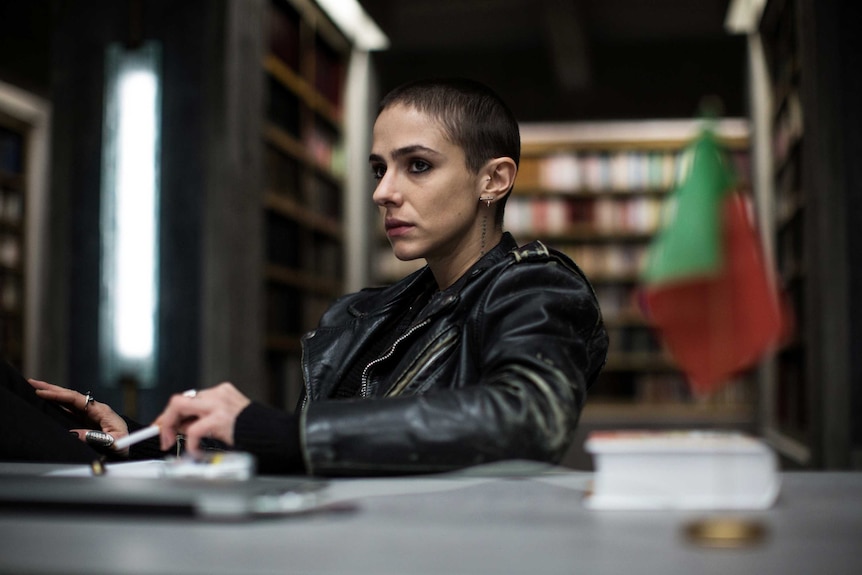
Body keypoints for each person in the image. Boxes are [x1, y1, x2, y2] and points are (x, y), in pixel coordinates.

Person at [1, 78, 608, 476]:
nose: (383, 192)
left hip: (443, 553)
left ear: (493, 180)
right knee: (29, 413)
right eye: (378, 169)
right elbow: (301, 452)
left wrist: (268, 428)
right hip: (340, 547)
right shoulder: (362, 316)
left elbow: (528, 415)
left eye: (417, 166)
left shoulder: (536, 288)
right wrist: (140, 442)